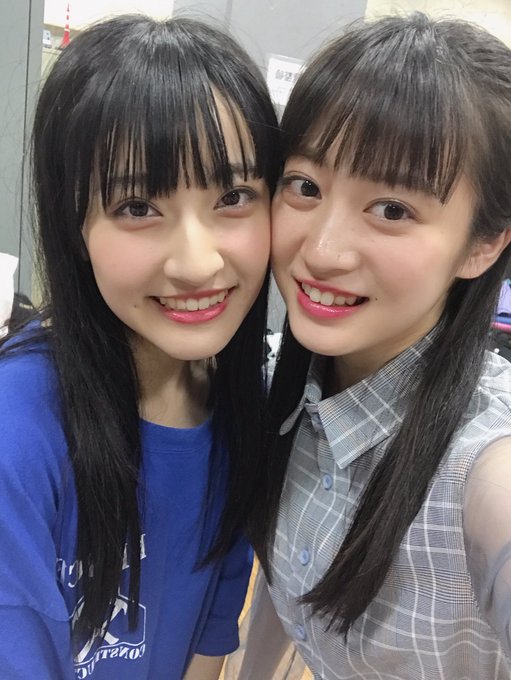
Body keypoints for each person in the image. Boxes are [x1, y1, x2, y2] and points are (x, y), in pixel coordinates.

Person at [0, 14, 279, 679]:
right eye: (136, 207)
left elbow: (212, 632)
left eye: (233, 195)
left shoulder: (244, 409)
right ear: (75, 224)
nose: (196, 262)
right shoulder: (18, 436)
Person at [247, 12, 511, 679]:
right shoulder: (284, 392)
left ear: (483, 245)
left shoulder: (482, 467)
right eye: (305, 186)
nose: (322, 250)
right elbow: (286, 587)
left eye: (392, 209)